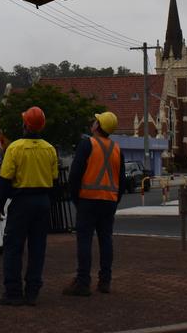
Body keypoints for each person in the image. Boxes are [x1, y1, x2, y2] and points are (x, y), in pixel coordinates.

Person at [0, 106, 59, 306]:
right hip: (42, 202)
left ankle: (13, 292)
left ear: (25, 125)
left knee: (13, 248)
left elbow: (5, 180)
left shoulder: (15, 148)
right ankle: (32, 292)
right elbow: (54, 181)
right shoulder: (50, 149)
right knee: (37, 248)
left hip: (21, 202)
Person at [63, 111, 123, 296]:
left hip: (88, 199)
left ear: (98, 126)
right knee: (106, 240)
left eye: (95, 120)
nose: (92, 122)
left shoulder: (87, 144)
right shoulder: (116, 148)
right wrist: (115, 199)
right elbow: (120, 179)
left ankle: (83, 282)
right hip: (109, 202)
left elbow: (75, 175)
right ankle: (105, 281)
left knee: (85, 240)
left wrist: (75, 198)